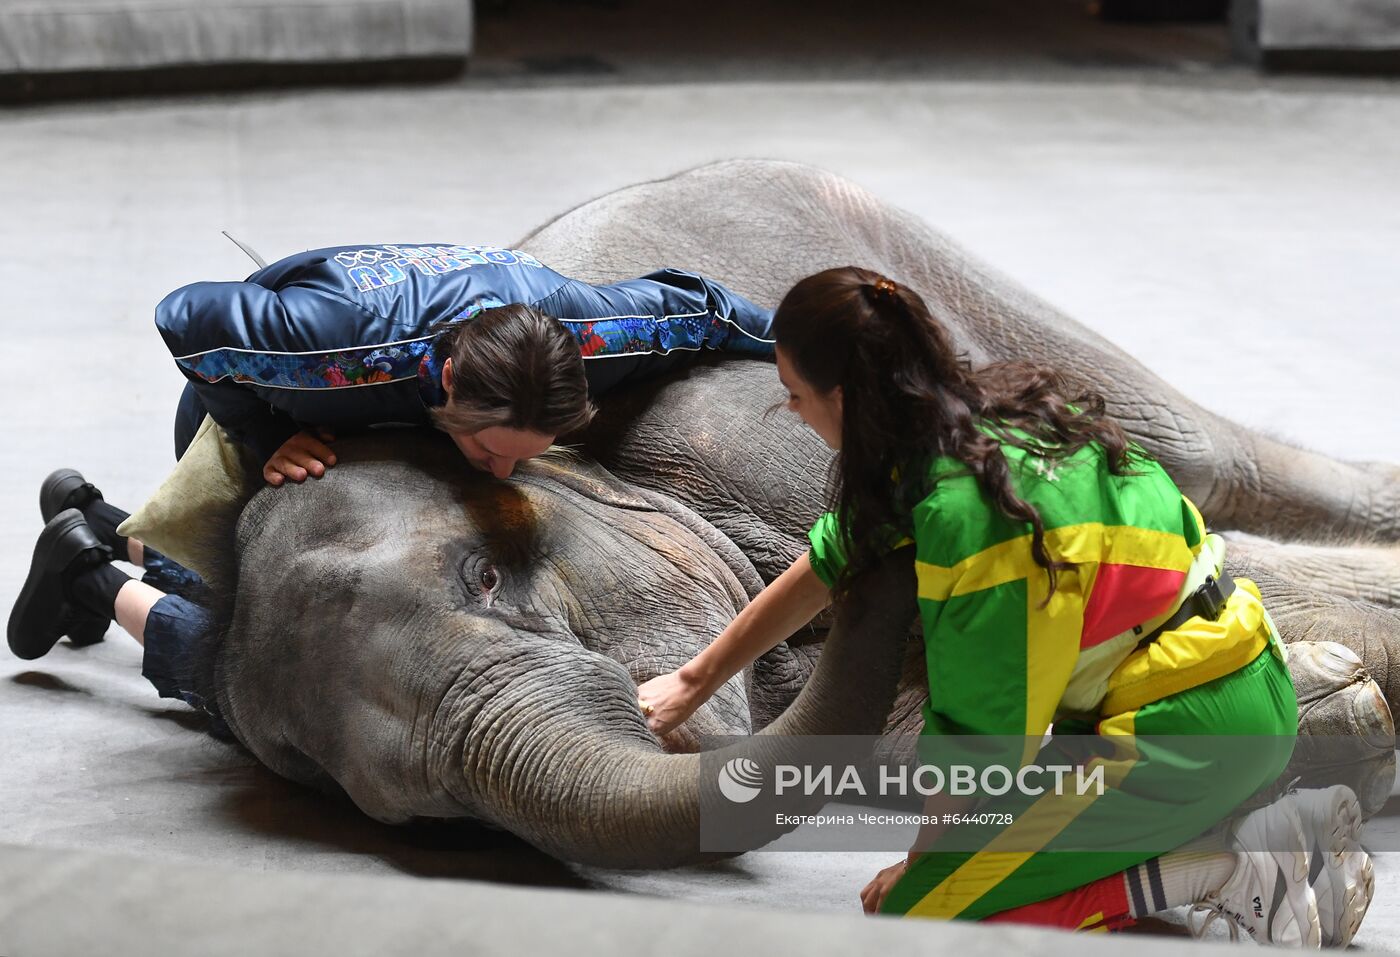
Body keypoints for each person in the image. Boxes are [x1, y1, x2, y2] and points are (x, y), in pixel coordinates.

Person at [635, 267, 1371, 946]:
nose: (791, 410)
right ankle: (1238, 829)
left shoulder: (969, 522)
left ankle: (1231, 869)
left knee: (921, 914)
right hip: (1228, 685)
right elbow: (831, 558)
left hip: (1176, 734)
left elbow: (984, 748)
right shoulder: (969, 423)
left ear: (847, 398)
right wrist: (694, 681)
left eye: (794, 392)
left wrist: (925, 866)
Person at [7, 244, 776, 727]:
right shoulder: (334, 348)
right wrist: (267, 435)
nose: (507, 471)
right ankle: (90, 572)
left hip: (382, 410)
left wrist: (806, 348)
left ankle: (100, 521)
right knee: (257, 658)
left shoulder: (596, 334)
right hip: (265, 400)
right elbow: (188, 317)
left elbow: (699, 307)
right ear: (446, 382)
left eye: (527, 454)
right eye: (491, 448)